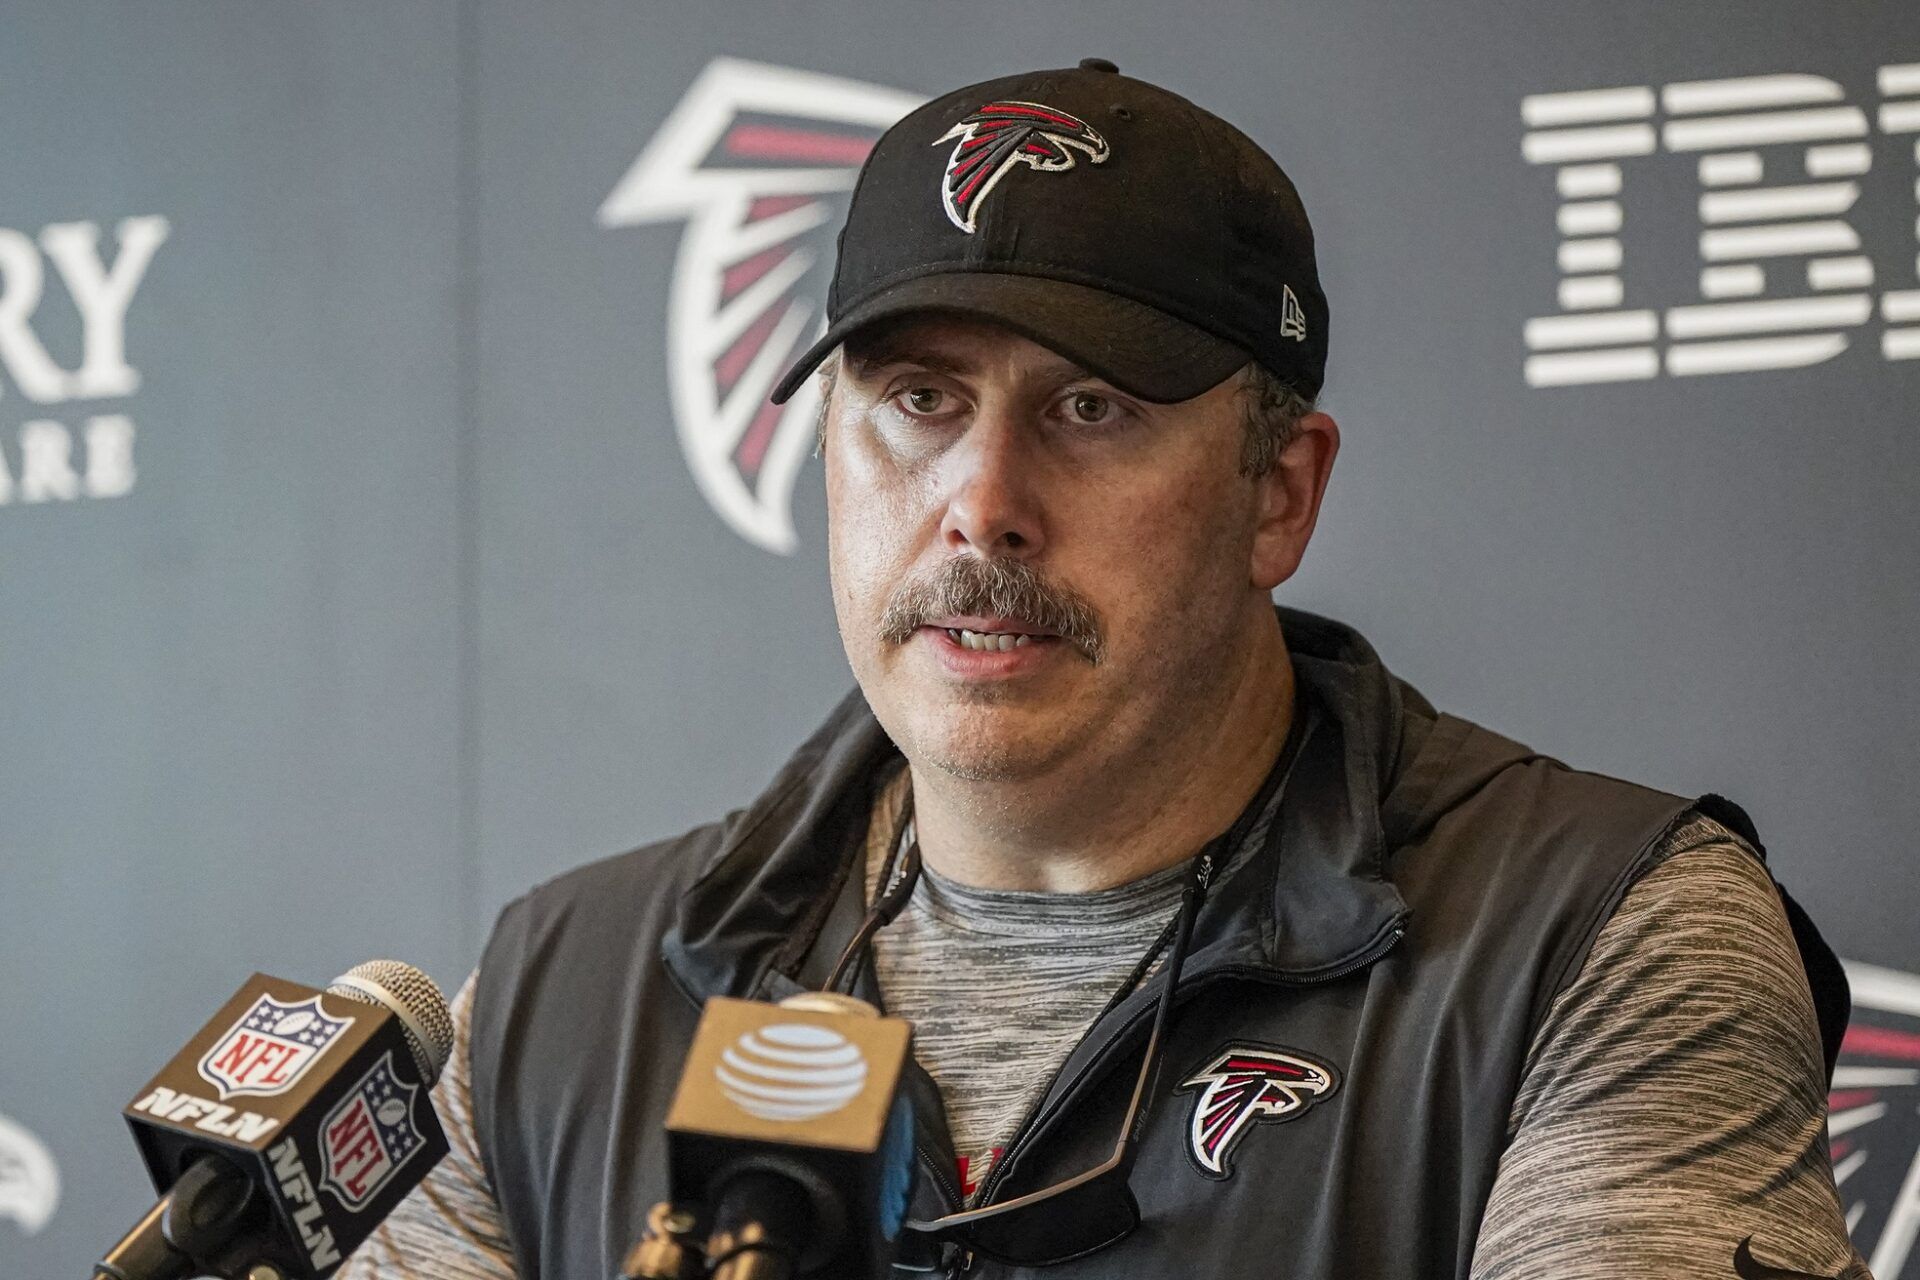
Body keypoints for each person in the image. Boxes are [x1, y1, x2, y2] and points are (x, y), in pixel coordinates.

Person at [342, 61, 1868, 1279]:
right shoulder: (560, 996)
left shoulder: (1592, 937)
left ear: (1280, 493)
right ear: (826, 455)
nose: (981, 500)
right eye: (919, 399)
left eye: (1090, 410)